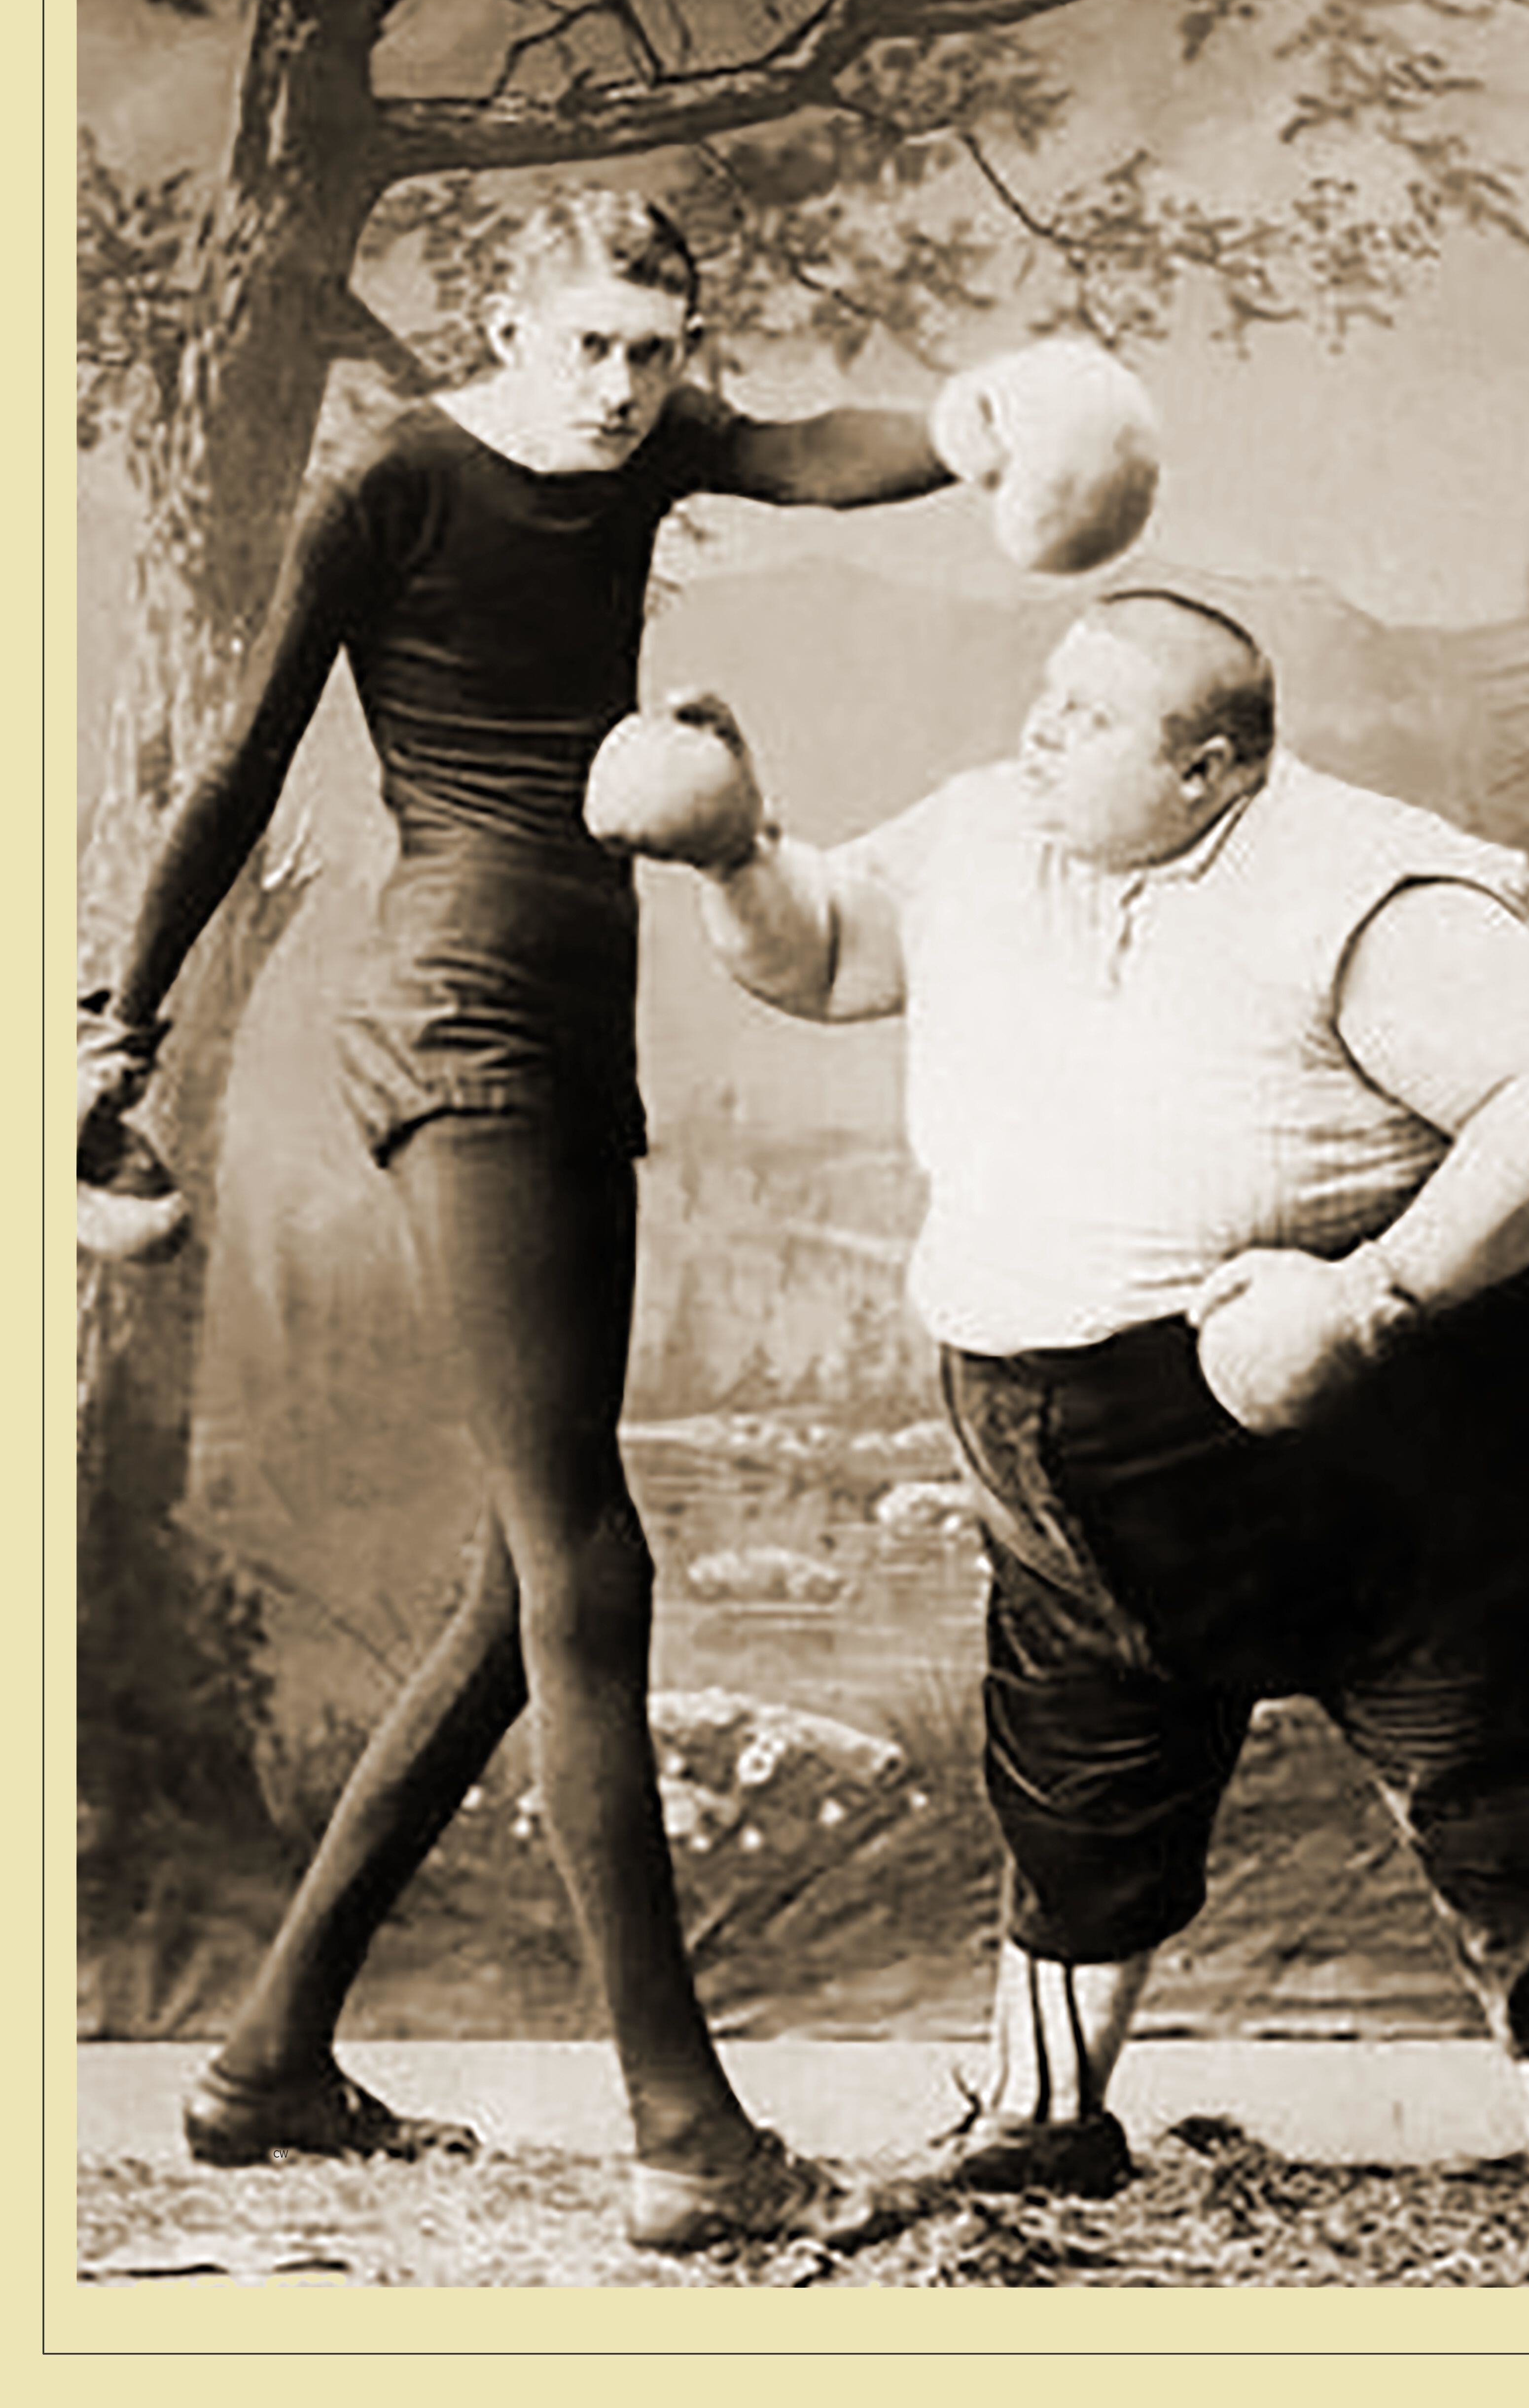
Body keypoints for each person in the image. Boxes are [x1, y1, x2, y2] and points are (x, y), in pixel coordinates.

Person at [75, 190, 989, 2250]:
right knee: (590, 1559)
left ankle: (266, 2062)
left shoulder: (659, 433)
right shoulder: (394, 478)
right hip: (453, 1013)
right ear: (500, 322)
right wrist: (109, 1028)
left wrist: (985, 423)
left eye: (654, 349)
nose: (622, 388)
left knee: (521, 1574)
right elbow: (235, 765)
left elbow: (810, 455)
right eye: (584, 344)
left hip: (576, 1021)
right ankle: (688, 2128)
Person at [647, 587, 1529, 2277]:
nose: (1036, 732)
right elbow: (826, 954)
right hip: (1069, 1459)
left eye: (1088, 718)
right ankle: (1043, 2115)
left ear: (1211, 770)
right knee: (1079, 1773)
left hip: (1372, 1442)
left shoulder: (1366, 891)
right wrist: (736, 853)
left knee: (1501, 1770)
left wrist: (1373, 1299)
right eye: (1047, 697)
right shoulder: (994, 829)